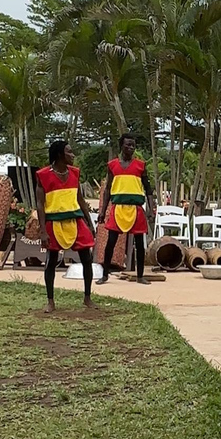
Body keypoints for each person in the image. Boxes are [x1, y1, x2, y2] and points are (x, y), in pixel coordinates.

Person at [35, 141, 96, 313]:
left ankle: (87, 297)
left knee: (87, 259)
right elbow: (40, 204)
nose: (73, 155)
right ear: (60, 155)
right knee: (51, 261)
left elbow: (80, 199)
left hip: (75, 220)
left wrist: (89, 223)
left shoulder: (75, 173)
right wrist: (43, 230)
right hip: (54, 222)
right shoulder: (43, 175)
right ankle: (50, 301)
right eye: (69, 152)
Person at [96, 134, 155, 285]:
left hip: (136, 209)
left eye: (133, 145)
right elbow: (108, 189)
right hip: (118, 208)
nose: (131, 148)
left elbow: (148, 189)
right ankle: (104, 275)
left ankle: (140, 275)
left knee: (139, 244)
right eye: (128, 145)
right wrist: (102, 211)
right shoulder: (112, 165)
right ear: (121, 146)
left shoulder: (140, 165)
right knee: (111, 242)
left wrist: (151, 209)